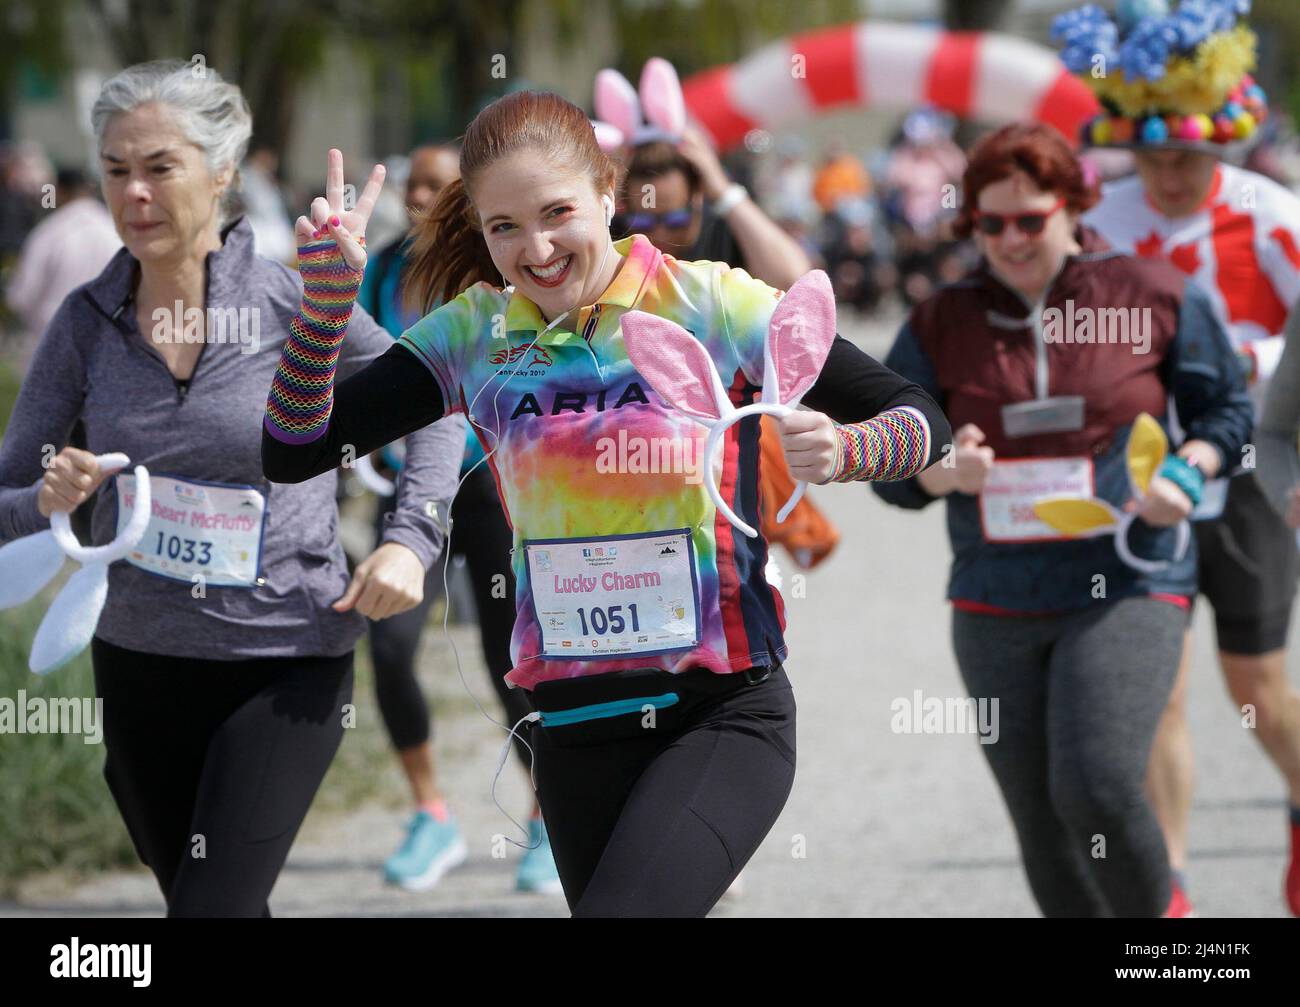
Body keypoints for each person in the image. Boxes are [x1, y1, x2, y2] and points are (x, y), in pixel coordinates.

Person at [262, 89, 951, 917]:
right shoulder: (473, 335)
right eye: (504, 227)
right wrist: (323, 314)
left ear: (608, 194)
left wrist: (851, 450)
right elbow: (297, 450)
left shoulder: (707, 302)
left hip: (717, 714)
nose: (538, 248)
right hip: (572, 727)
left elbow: (925, 420)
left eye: (559, 212)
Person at [0, 60, 462, 917]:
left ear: (221, 171)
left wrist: (410, 537)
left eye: (159, 167)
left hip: (284, 658)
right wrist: (48, 498)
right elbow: (7, 498)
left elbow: (437, 404)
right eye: (115, 170)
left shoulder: (297, 303)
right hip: (139, 665)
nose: (134, 192)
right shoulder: (85, 324)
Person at [873, 122, 1252, 918]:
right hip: (993, 597)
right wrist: (940, 472)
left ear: (1073, 209)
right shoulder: (941, 321)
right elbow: (890, 466)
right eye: (990, 223)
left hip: (1127, 577)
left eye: (1029, 219)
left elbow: (1227, 409)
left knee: (1097, 784)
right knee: (1041, 823)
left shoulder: (1151, 292)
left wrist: (1189, 470)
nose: (1010, 239)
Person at [1056, 0, 1300, 915]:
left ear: (1222, 146)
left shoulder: (1271, 213)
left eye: (1187, 155)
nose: (1167, 172)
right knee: (1157, 696)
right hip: (1141, 481)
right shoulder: (1099, 219)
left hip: (1239, 477)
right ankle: (1173, 899)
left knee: (1263, 694)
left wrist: (1254, 361)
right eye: (1151, 153)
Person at [356, 142, 560, 893]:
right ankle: (430, 813)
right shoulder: (379, 268)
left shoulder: (502, 271)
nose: (422, 198)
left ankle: (546, 818)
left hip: (491, 487)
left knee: (515, 662)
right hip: (406, 489)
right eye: (413, 185)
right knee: (387, 646)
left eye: (440, 187)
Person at [6, 167, 121, 371]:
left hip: (51, 341)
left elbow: (21, 296)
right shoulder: (115, 231)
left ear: (59, 190)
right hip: (105, 343)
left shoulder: (49, 232)